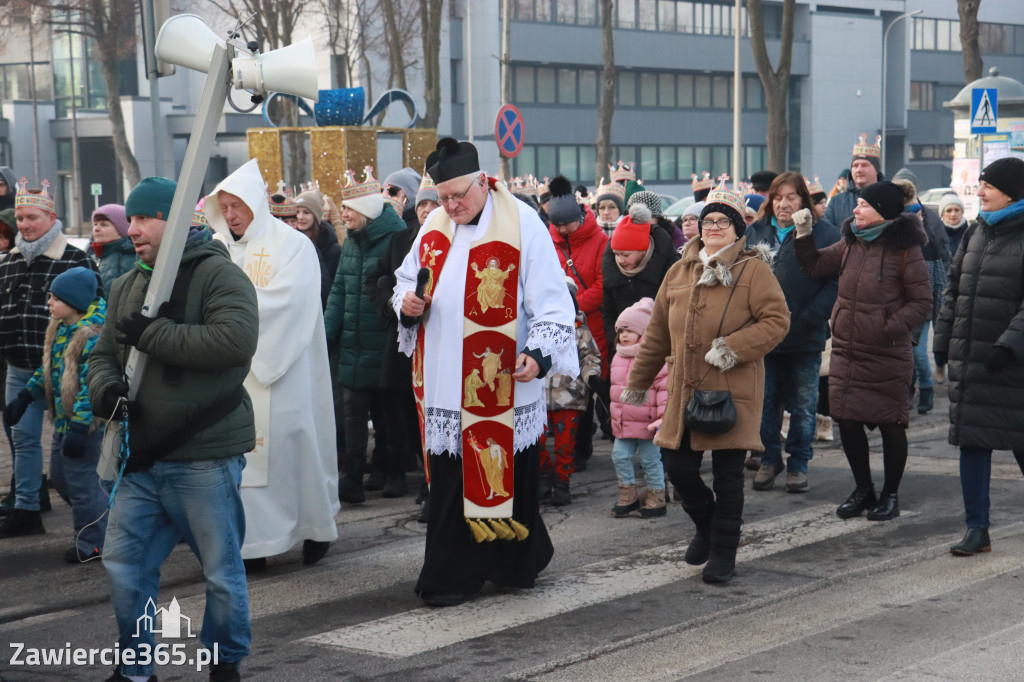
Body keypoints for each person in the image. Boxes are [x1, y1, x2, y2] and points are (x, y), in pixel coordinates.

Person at [394, 137, 578, 606]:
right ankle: (461, 570)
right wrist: (407, 303)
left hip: (504, 379)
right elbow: (406, 279)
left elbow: (553, 302)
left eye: (458, 196)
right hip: (445, 378)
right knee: (453, 478)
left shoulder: (522, 223)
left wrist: (538, 353)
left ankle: (503, 564)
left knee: (503, 474)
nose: (450, 206)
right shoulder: (434, 224)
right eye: (443, 198)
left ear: (482, 181)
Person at [88, 176, 257, 682]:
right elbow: (103, 353)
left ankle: (224, 663)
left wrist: (154, 334)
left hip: (204, 456)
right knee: (125, 566)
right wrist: (106, 390)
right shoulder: (127, 283)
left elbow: (234, 342)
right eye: (131, 219)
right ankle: (136, 667)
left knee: (221, 572)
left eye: (145, 219)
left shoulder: (219, 275)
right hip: (140, 458)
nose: (133, 229)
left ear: (176, 218)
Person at [622, 180, 789, 584]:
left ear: (737, 228)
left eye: (723, 222)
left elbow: (776, 321)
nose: (713, 228)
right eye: (708, 221)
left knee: (729, 477)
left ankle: (724, 552)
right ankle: (707, 525)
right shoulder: (679, 270)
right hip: (685, 388)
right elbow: (657, 333)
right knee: (678, 467)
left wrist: (731, 347)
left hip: (734, 389)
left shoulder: (752, 269)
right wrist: (637, 383)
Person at [206, 159, 340, 570]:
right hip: (231, 372)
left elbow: (292, 302)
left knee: (293, 446)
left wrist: (228, 318)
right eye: (224, 208)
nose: (231, 215)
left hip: (285, 368)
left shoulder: (292, 245)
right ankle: (252, 544)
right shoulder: (217, 247)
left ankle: (314, 528)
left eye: (237, 206)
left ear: (255, 203)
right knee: (240, 458)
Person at [794, 181, 932, 521]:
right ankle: (863, 489)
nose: (855, 210)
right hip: (847, 350)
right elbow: (814, 266)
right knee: (848, 420)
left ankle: (890, 495)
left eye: (864, 205)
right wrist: (804, 234)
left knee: (891, 424)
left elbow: (922, 302)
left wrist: (887, 326)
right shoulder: (851, 242)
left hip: (887, 352)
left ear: (882, 212)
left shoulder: (906, 249)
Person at [933, 157, 1024, 557]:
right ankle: (977, 528)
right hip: (970, 358)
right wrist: (942, 339)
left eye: (988, 186)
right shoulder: (977, 230)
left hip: (1012, 362)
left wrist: (1009, 345)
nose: (980, 192)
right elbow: (954, 290)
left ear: (1012, 193)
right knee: (972, 441)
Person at [0, 178, 95, 537]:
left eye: (32, 218)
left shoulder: (75, 258)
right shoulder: (8, 261)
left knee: (69, 447)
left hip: (64, 368)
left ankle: (95, 514)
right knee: (22, 439)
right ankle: (26, 508)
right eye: (20, 218)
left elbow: (96, 312)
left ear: (51, 218)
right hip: (19, 367)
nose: (24, 225)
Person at [2, 267, 107, 561]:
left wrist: (81, 425)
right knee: (61, 479)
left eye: (55, 298)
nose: (48, 303)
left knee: (82, 486)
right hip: (63, 424)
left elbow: (91, 386)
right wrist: (25, 396)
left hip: (85, 428)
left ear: (74, 303)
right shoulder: (60, 329)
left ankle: (92, 544)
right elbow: (48, 370)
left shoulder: (92, 337)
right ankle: (105, 518)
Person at [745, 172, 840, 494]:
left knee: (803, 406)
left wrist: (811, 317)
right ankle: (770, 459)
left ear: (803, 200)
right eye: (777, 197)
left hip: (805, 335)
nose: (783, 204)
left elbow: (834, 282)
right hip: (762, 336)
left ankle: (799, 463)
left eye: (791, 197)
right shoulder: (756, 231)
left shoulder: (824, 233)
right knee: (763, 403)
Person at [325, 166, 406, 504]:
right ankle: (353, 477)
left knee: (389, 413)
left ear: (368, 210)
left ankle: (394, 471)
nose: (343, 214)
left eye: (349, 208)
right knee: (353, 410)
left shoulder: (397, 238)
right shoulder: (351, 243)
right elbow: (339, 291)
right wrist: (325, 335)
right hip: (354, 343)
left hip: (384, 342)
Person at [892, 171, 951, 415]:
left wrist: (940, 290)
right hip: (896, 297)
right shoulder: (890, 216)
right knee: (900, 351)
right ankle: (907, 391)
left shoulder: (929, 217)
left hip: (922, 296)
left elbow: (942, 253)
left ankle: (926, 387)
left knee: (917, 351)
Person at [539, 278, 600, 506]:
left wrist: (591, 375)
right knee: (536, 441)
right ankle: (545, 477)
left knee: (565, 446)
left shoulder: (579, 331)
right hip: (540, 398)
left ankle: (563, 483)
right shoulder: (537, 330)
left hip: (570, 397)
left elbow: (590, 356)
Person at [608, 297, 668, 518]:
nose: (624, 335)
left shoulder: (654, 356)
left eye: (630, 330)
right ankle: (628, 495)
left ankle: (657, 496)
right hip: (624, 422)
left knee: (650, 460)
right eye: (621, 330)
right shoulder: (618, 356)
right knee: (619, 456)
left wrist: (663, 416)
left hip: (647, 422)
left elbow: (664, 389)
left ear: (643, 332)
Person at [601, 203, 679, 360]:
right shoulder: (612, 271)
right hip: (622, 350)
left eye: (626, 255)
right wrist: (617, 344)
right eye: (616, 254)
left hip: (659, 350)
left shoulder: (670, 267)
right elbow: (608, 314)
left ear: (643, 250)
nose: (620, 260)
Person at [825, 134, 883, 228]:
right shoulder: (836, 202)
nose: (859, 170)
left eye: (864, 165)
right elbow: (828, 233)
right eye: (855, 166)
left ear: (876, 170)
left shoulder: (889, 199)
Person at [88, 204, 135, 296]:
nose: (96, 229)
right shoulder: (89, 254)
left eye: (104, 225)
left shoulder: (132, 257)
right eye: (95, 224)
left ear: (121, 229)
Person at [940, 193, 969, 258]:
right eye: (948, 211)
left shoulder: (971, 234)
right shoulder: (936, 236)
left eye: (956, 210)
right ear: (942, 214)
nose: (953, 214)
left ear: (962, 212)